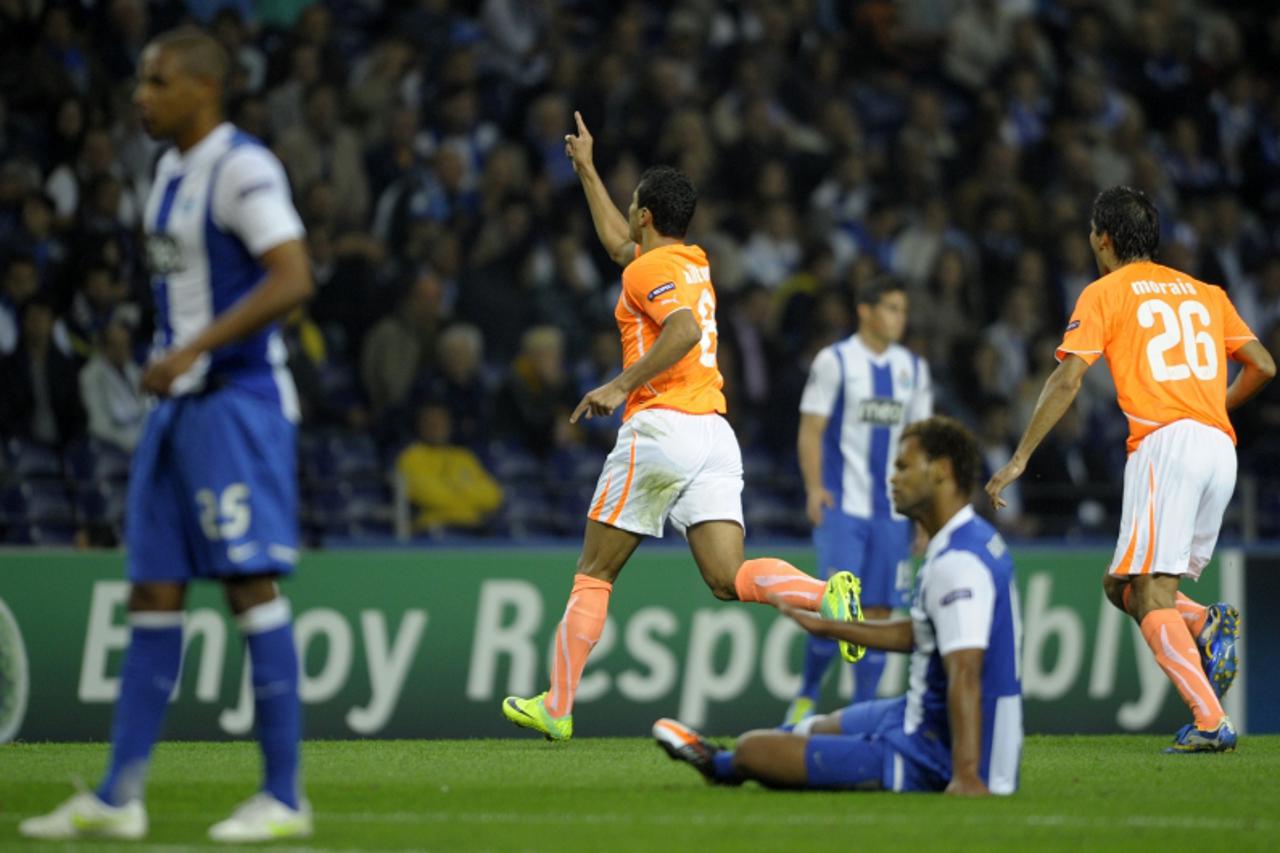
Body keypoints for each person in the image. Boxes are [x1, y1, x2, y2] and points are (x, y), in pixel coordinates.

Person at [20, 27, 315, 841]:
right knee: (152, 591)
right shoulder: (169, 171)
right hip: (176, 408)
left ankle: (285, 796)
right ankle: (120, 795)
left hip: (235, 401)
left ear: (201, 89)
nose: (140, 97)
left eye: (156, 82)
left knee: (249, 586)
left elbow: (293, 274)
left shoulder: (240, 166)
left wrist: (194, 347)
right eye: (140, 82)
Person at [501, 112, 861, 741]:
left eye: (632, 203)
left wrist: (618, 385)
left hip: (661, 428)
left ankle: (555, 706)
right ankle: (823, 595)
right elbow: (621, 249)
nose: (629, 216)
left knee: (595, 571)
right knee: (729, 578)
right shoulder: (692, 262)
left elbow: (684, 331)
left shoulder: (648, 273)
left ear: (645, 214)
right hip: (715, 435)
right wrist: (586, 168)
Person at [986, 185, 1276, 753]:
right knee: (1120, 584)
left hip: (1166, 444)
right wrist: (1215, 406)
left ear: (1104, 238)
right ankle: (1203, 624)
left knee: (1151, 594)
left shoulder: (1105, 292)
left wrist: (1019, 458)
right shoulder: (1206, 292)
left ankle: (1211, 720)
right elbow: (1263, 365)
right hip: (1220, 448)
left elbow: (1067, 379)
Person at [655, 417, 1022, 797]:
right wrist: (831, 628)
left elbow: (966, 672)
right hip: (928, 714)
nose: (892, 479)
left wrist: (966, 776)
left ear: (942, 470)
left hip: (939, 749)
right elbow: (925, 633)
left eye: (903, 467)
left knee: (754, 749)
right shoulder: (972, 538)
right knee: (817, 726)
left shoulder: (957, 562)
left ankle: (721, 764)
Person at [785, 276, 933, 725]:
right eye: (890, 308)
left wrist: (923, 516)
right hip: (842, 509)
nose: (899, 318)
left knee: (880, 614)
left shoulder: (913, 369)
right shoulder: (835, 362)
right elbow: (810, 429)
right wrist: (814, 487)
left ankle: (860, 714)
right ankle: (808, 693)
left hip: (891, 515)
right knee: (838, 606)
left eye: (903, 310)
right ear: (864, 311)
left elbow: (920, 443)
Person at [396, 400, 503, 532]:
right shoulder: (411, 457)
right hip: (432, 530)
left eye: (441, 421)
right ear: (420, 426)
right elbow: (425, 495)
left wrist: (451, 486)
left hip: (473, 528)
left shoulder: (464, 456)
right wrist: (465, 491)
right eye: (430, 422)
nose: (436, 426)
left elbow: (493, 496)